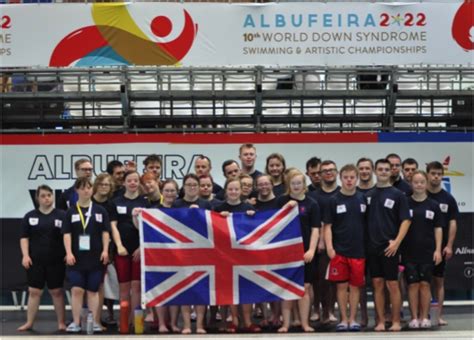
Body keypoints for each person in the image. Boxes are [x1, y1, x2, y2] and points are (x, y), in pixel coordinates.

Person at [365, 159, 411, 332]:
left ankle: (396, 320)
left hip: (390, 247)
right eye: (380, 169)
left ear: (391, 171)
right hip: (372, 247)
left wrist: (397, 242)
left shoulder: (398, 194)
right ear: (375, 171)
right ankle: (380, 321)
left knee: (392, 284)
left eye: (387, 169)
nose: (384, 172)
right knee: (377, 283)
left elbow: (406, 220)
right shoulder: (368, 195)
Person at [62, 178, 110, 333]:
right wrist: (68, 252)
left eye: (89, 188)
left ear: (92, 190)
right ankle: (76, 322)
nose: (86, 191)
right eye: (82, 188)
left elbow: (105, 232)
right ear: (77, 191)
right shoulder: (71, 211)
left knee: (93, 290)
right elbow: (67, 234)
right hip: (76, 257)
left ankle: (95, 321)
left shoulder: (100, 211)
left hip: (95, 256)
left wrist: (105, 250)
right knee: (77, 290)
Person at [214, 178, 261, 333]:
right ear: (226, 191)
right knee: (229, 288)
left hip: (244, 255)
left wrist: (252, 217)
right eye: (230, 189)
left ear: (241, 191)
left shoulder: (248, 207)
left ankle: (247, 321)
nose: (233, 192)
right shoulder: (218, 208)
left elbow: (257, 230)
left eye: (236, 189)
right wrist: (219, 218)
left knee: (246, 287)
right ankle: (233, 320)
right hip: (224, 255)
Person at [18, 185, 67, 332]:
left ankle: (61, 323)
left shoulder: (62, 215)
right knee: (34, 292)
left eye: (49, 195)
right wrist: (25, 256)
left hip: (56, 261)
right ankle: (29, 323)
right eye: (43, 196)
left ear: (53, 197)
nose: (47, 198)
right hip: (35, 261)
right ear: (37, 198)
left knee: (56, 292)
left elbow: (68, 237)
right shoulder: (30, 216)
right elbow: (24, 238)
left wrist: (68, 252)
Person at [276, 169, 320, 333]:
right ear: (289, 185)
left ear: (304, 185)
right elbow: (272, 222)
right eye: (293, 183)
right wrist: (287, 207)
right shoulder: (282, 201)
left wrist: (311, 250)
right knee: (286, 287)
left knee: (305, 287)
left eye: (299, 183)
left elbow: (316, 229)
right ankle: (286, 324)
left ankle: (305, 323)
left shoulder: (312, 204)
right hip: (286, 252)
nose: (296, 186)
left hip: (305, 252)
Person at [324, 164, 367, 332]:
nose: (349, 180)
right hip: (339, 251)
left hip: (358, 251)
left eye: (352, 177)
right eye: (346, 177)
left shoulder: (363, 198)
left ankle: (353, 319)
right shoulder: (333, 200)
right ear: (340, 178)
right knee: (341, 287)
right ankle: (343, 319)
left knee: (355, 286)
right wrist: (330, 248)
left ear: (356, 179)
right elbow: (327, 226)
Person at [402, 170, 443, 329]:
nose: (419, 185)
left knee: (425, 284)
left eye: (422, 182)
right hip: (409, 252)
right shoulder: (405, 203)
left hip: (427, 252)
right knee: (412, 285)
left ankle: (424, 317)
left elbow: (438, 228)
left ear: (426, 184)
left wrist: (438, 249)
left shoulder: (433, 205)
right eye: (416, 182)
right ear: (411, 184)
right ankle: (413, 317)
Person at [172, 174, 211, 334]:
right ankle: (187, 325)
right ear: (184, 186)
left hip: (203, 251)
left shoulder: (206, 204)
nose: (192, 187)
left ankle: (200, 324)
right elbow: (172, 226)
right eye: (189, 185)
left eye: (195, 185)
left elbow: (213, 227)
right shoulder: (176, 204)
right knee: (185, 289)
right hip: (183, 252)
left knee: (202, 289)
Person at [110, 171, 149, 323]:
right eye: (129, 180)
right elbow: (113, 226)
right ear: (124, 183)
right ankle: (125, 321)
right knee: (124, 288)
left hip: (139, 251)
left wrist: (141, 247)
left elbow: (147, 228)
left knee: (137, 287)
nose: (133, 183)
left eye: (135, 180)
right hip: (122, 250)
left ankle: (135, 321)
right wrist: (119, 246)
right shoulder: (116, 202)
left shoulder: (145, 202)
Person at [426, 161, 459, 326]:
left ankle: (438, 315)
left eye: (439, 174)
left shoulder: (448, 198)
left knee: (438, 281)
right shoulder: (419, 194)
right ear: (427, 174)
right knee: (423, 283)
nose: (436, 176)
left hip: (441, 247)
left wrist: (449, 245)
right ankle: (423, 315)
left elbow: (453, 223)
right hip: (422, 247)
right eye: (433, 173)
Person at [308, 160, 339, 324]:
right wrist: (320, 241)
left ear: (337, 172)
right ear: (319, 175)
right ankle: (316, 309)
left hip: (338, 243)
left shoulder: (342, 194)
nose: (328, 173)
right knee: (318, 280)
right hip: (319, 245)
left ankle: (330, 310)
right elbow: (315, 222)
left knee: (333, 280)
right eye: (324, 171)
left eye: (331, 170)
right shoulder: (313, 197)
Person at [92, 174, 117, 328]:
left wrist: (109, 250)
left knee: (100, 285)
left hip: (104, 251)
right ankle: (84, 319)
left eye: (107, 185)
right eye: (101, 184)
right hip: (86, 251)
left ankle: (96, 319)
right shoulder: (87, 202)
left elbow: (112, 229)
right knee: (85, 287)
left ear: (110, 188)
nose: (103, 187)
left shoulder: (111, 205)